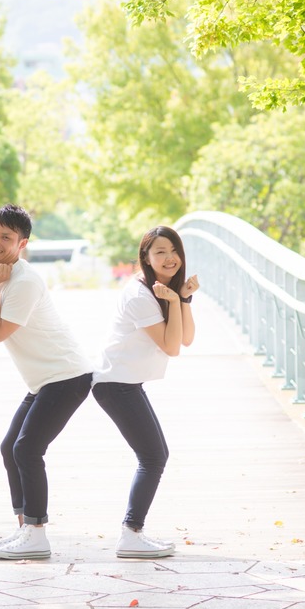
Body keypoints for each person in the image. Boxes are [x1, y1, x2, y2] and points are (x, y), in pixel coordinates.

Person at [0, 204, 94, 560]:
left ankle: (37, 535)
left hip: (67, 376)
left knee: (27, 449)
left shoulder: (24, 281)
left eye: (5, 237)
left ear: (22, 244)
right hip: (45, 380)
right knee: (10, 448)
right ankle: (26, 528)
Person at [92, 225, 199, 558]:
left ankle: (133, 531)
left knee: (155, 456)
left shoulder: (163, 290)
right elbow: (172, 348)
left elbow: (186, 337)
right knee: (153, 457)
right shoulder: (140, 295)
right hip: (114, 384)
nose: (169, 258)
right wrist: (176, 299)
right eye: (160, 252)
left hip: (125, 382)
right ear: (146, 258)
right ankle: (130, 534)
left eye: (173, 250)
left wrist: (183, 300)